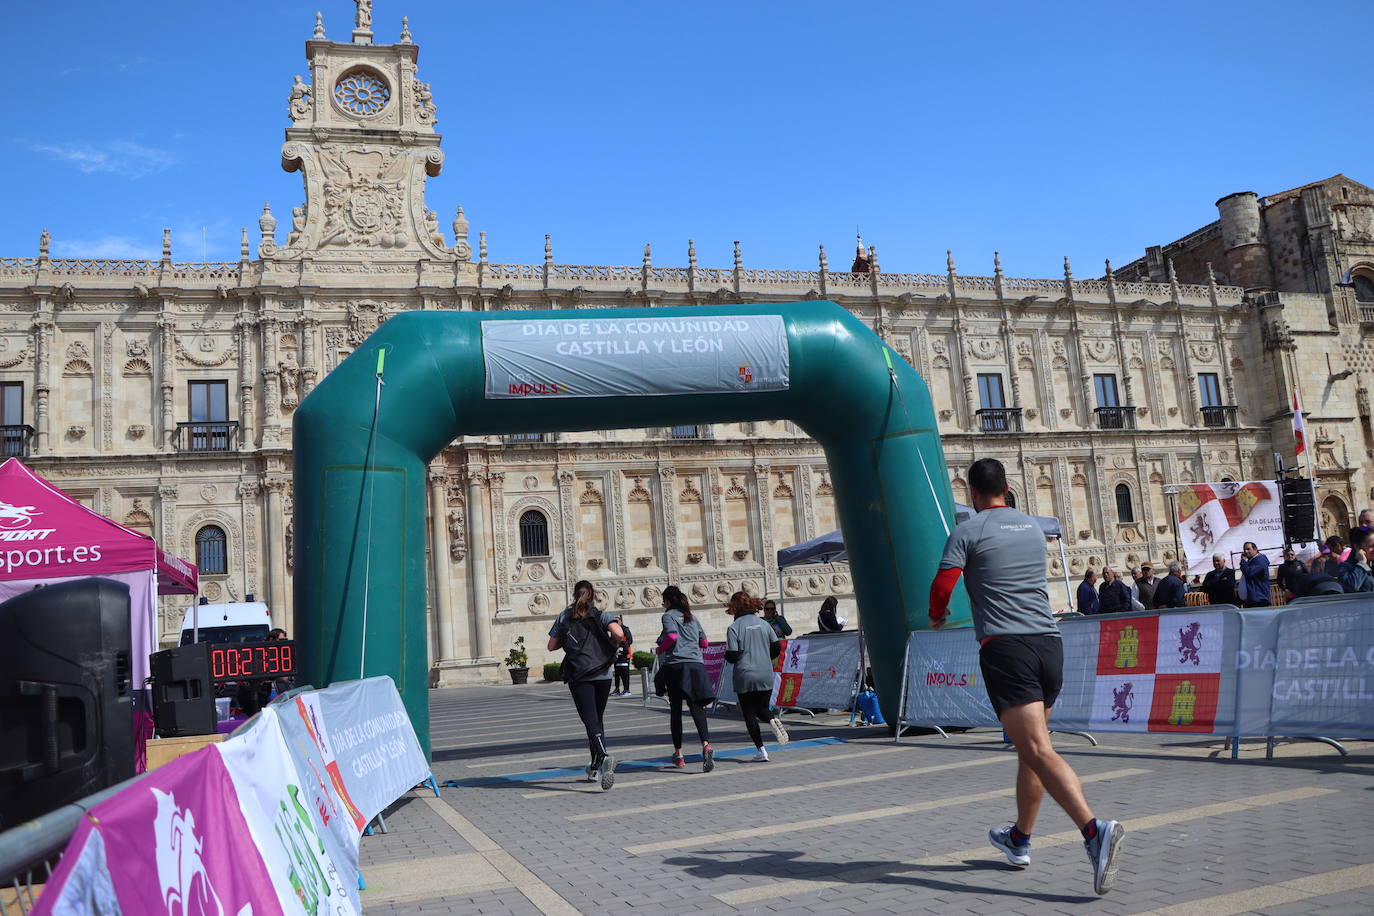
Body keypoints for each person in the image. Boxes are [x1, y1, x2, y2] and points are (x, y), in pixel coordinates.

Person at [929, 457, 1124, 896]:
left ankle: (1095, 832)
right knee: (1033, 749)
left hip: (1008, 647)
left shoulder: (967, 529)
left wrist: (936, 616)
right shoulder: (1032, 528)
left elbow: (943, 586)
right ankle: (1019, 839)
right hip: (1048, 643)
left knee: (1035, 747)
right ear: (1006, 489)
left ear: (973, 494)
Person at [548, 580, 625, 790]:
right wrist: (614, 645)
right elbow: (619, 634)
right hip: (603, 673)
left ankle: (604, 756)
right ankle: (594, 766)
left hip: (580, 674)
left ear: (574, 594)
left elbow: (551, 646)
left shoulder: (565, 616)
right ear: (592, 595)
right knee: (597, 721)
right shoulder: (600, 614)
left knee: (590, 721)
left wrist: (569, 639)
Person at [723, 590, 788, 761]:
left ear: (734, 608)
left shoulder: (734, 628)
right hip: (765, 671)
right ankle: (772, 719)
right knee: (763, 709)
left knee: (749, 713)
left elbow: (732, 655)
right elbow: (777, 646)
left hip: (745, 673)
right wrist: (766, 658)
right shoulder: (763, 624)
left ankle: (761, 750)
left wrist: (727, 656)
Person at [657, 585, 715, 771]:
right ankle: (706, 744)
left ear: (668, 601)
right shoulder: (692, 616)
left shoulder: (668, 616)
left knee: (676, 711)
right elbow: (704, 643)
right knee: (697, 708)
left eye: (663, 600)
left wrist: (660, 649)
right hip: (696, 666)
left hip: (677, 667)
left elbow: (672, 636)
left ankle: (679, 755)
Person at [1337, 526, 1374, 593]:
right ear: (1357, 547)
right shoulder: (1346, 567)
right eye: (1371, 546)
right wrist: (1362, 563)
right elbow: (1351, 587)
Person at [1238, 542, 1271, 607]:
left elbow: (1249, 573)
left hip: (1259, 600)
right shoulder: (1251, 561)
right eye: (1244, 550)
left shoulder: (1260, 560)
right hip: (1251, 600)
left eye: (1248, 549)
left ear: (1255, 549)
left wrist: (1243, 562)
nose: (1245, 551)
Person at [611, 614, 634, 696]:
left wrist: (622, 646)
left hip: (624, 654)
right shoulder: (613, 631)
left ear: (620, 621)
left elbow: (630, 640)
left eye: (617, 621)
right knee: (617, 673)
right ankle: (617, 689)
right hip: (616, 654)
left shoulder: (625, 629)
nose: (616, 623)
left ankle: (626, 689)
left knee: (625, 673)